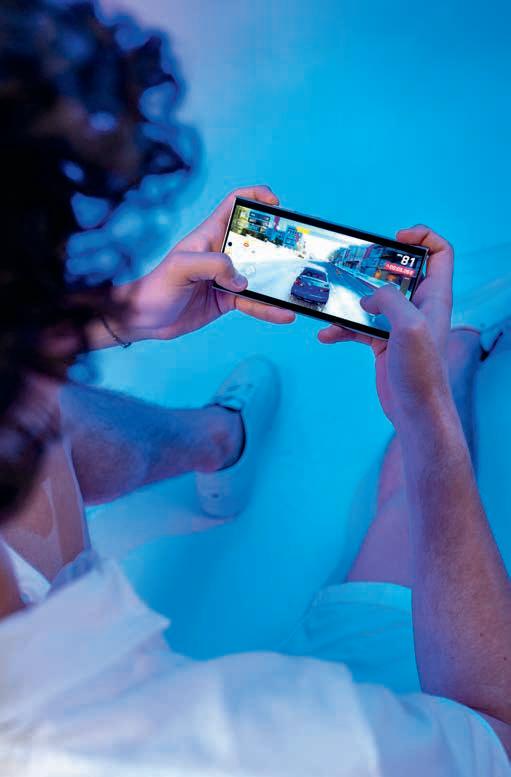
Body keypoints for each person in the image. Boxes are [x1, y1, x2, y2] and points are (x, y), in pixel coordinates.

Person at [0, 1, 509, 775]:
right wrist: (427, 413)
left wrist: (114, 320)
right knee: (404, 519)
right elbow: (494, 733)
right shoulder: (235, 748)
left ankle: (220, 440)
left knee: (60, 420)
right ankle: (453, 370)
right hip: (324, 725)